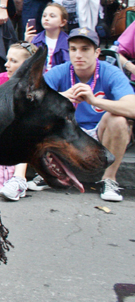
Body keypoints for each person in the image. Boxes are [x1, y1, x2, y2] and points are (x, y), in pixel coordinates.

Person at [44, 27, 135, 202]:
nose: (78, 55)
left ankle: (109, 179)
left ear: (97, 52)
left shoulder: (110, 72)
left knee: (118, 120)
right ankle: (48, 172)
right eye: (73, 49)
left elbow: (133, 108)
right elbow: (30, 103)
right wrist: (60, 98)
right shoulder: (59, 71)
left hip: (99, 134)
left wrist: (95, 101)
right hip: (68, 134)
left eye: (85, 49)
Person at [0, 43, 39, 200]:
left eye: (14, 61)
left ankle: (19, 179)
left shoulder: (36, 85)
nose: (6, 65)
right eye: (7, 60)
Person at [24, 2, 69, 71]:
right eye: (44, 16)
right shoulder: (36, 40)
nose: (46, 18)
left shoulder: (68, 42)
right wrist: (27, 43)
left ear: (63, 22)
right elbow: (26, 63)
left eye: (52, 16)